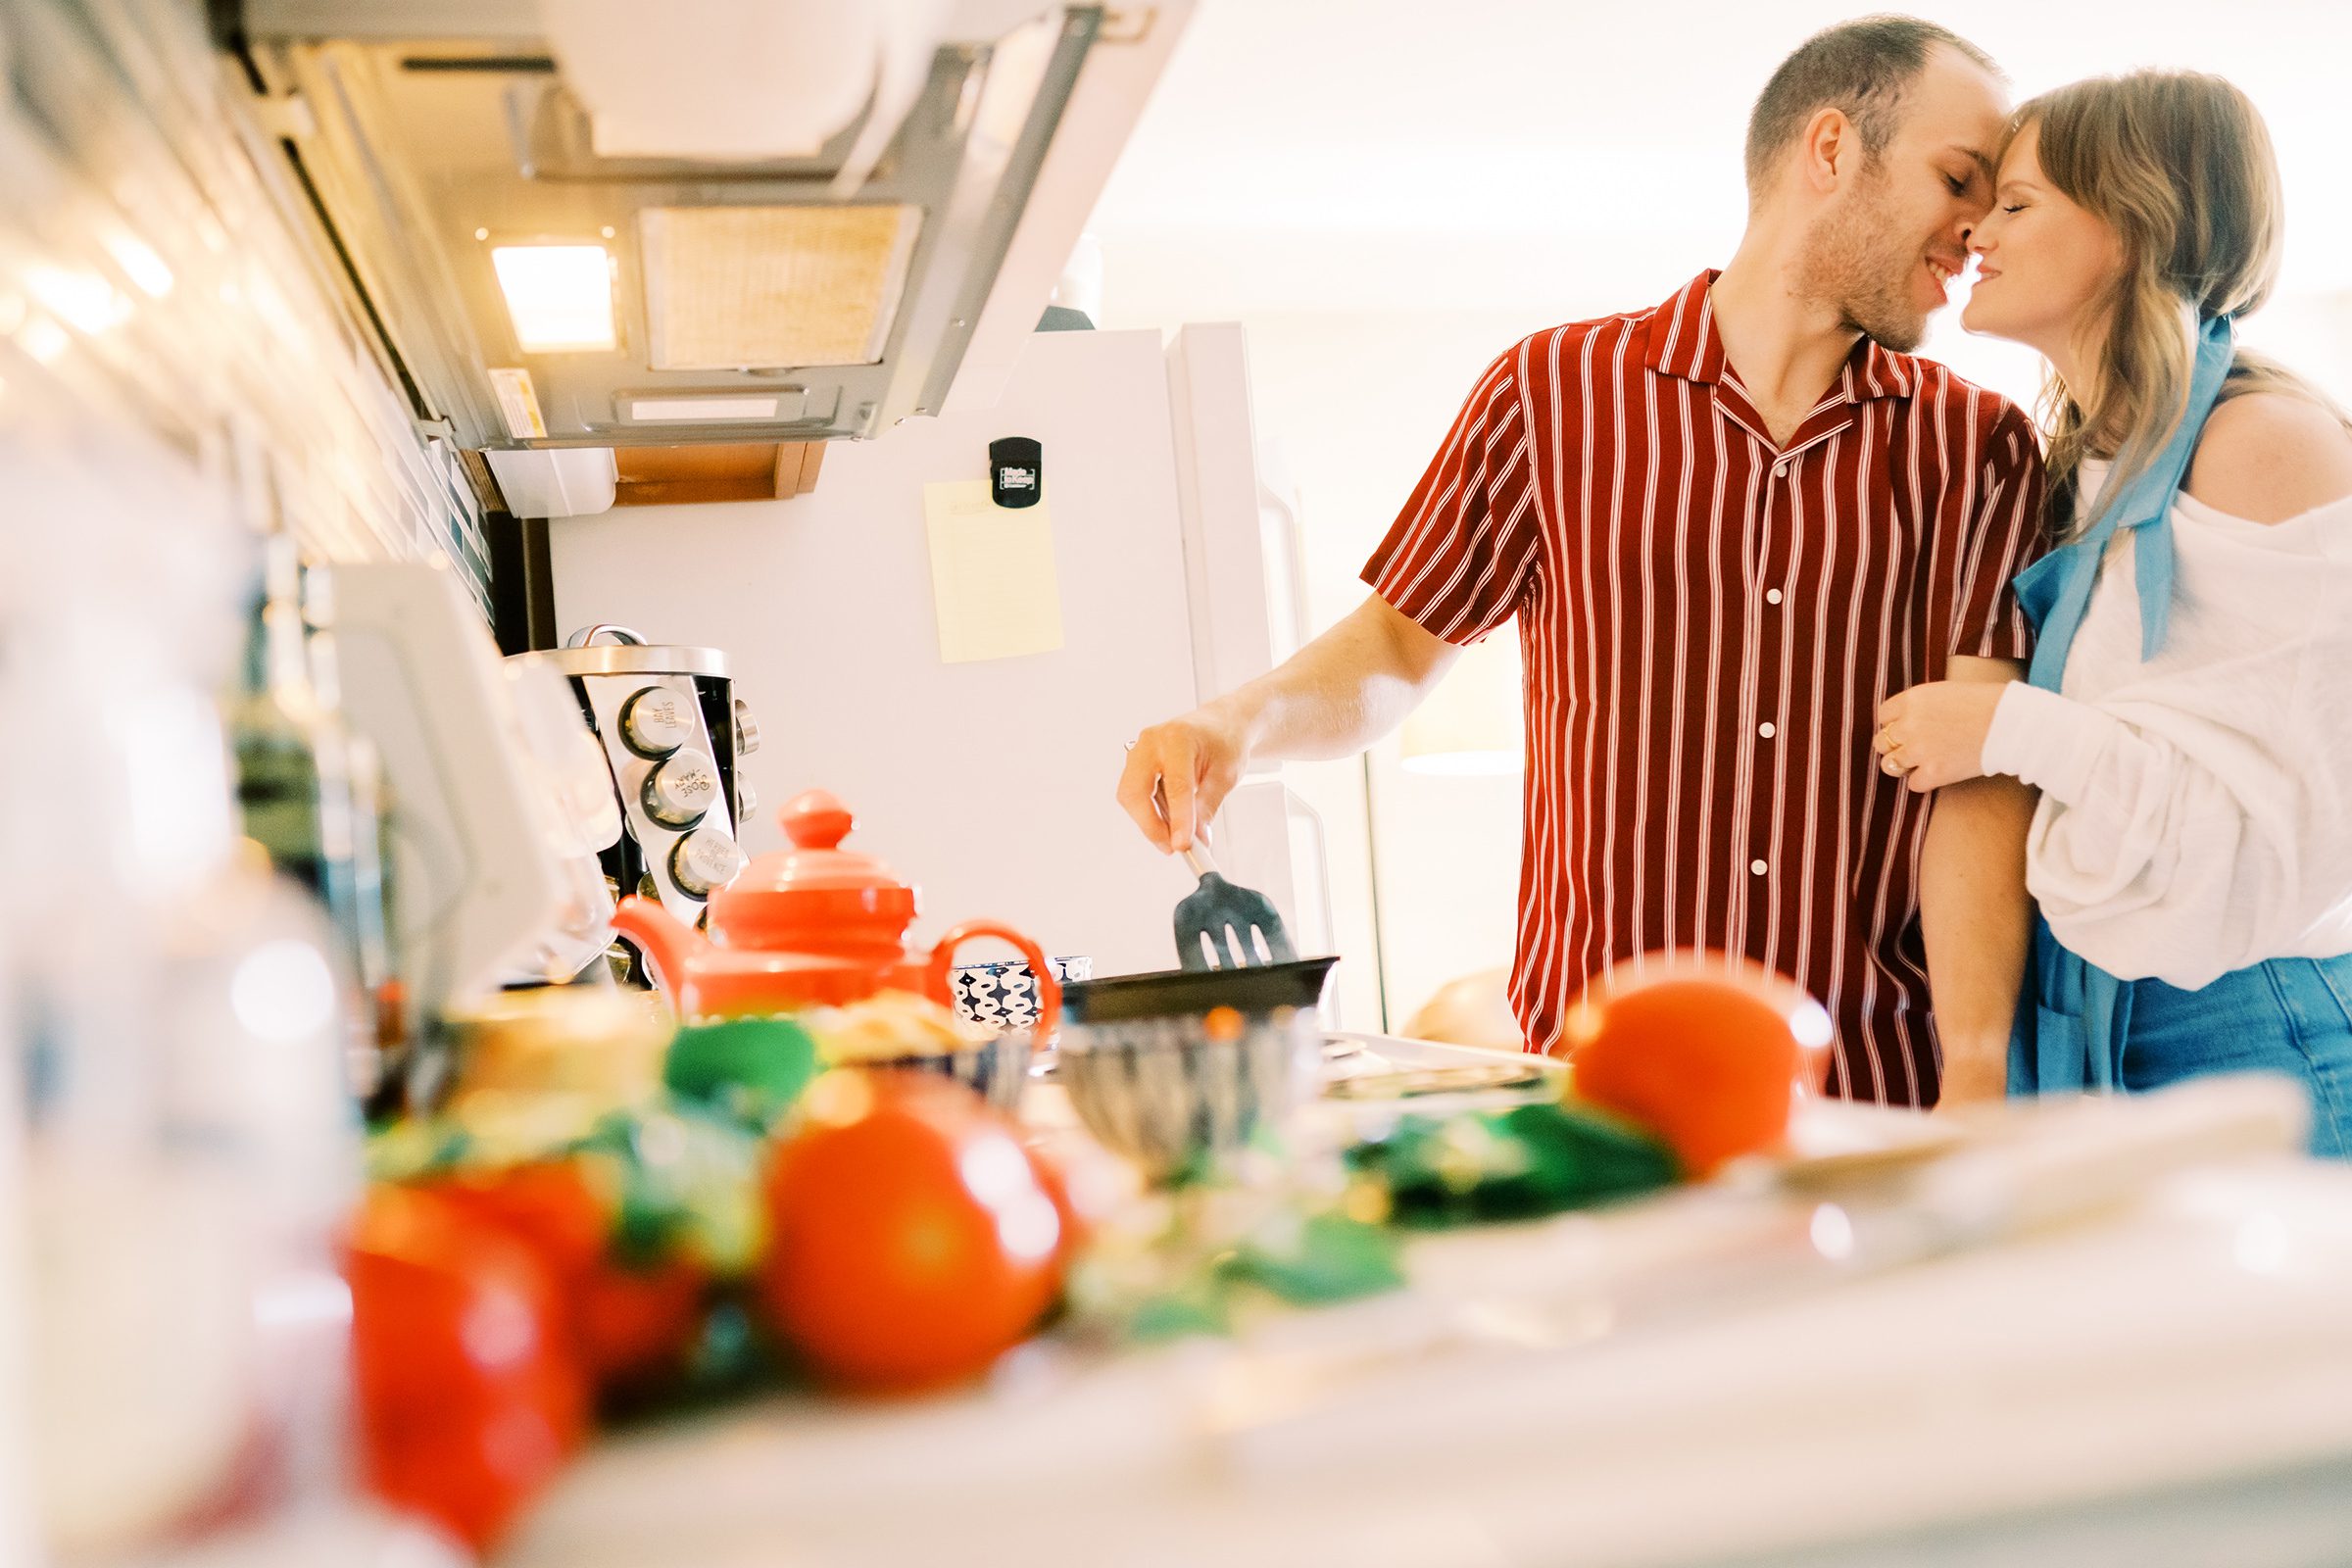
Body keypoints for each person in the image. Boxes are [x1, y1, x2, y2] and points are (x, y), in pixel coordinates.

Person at [1118, 16, 2048, 1108]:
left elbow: (1980, 776)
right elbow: (1397, 642)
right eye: (1957, 179)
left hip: (1874, 1095)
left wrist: (1980, 1071)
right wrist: (1236, 722)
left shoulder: (1977, 447)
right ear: (1832, 149)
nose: (1980, 228)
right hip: (1602, 1094)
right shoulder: (1552, 392)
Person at [1871, 72, 2352, 1154]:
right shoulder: (2089, 470)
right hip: (2113, 1029)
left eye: (2018, 203)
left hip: (2263, 1021)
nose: (1976, 232)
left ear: (2133, 224)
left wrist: (2004, 729)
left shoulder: (2264, 444)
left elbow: (2276, 839)